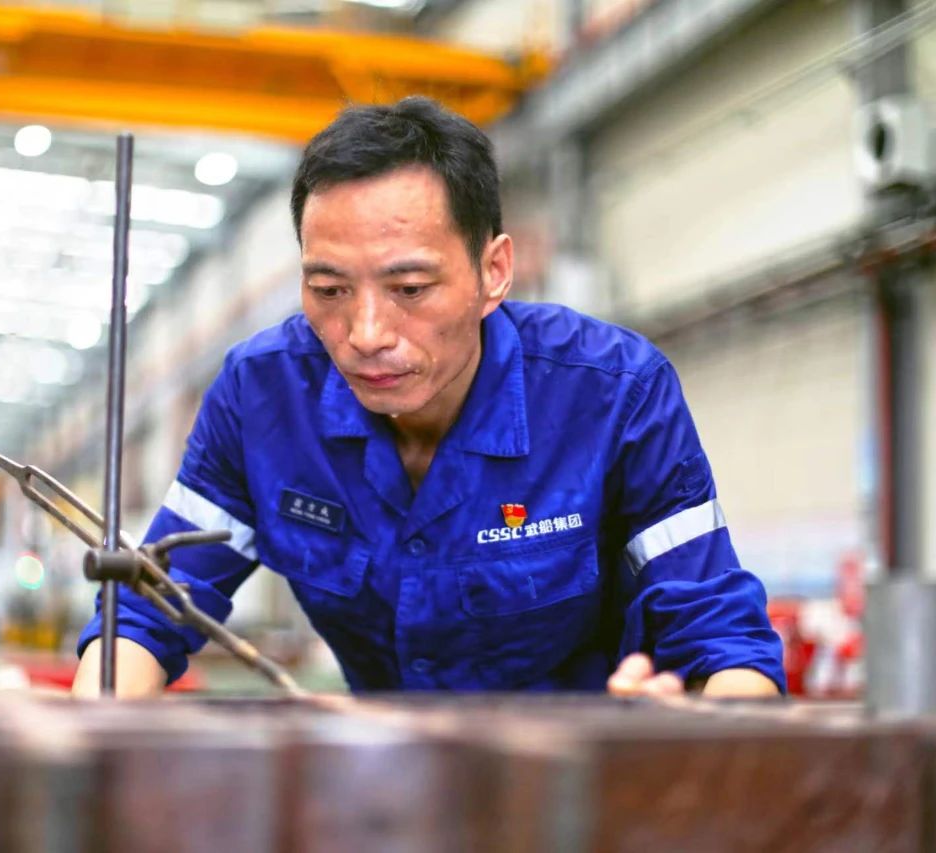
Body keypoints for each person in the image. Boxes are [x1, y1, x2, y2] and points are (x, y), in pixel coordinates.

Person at [72, 96, 784, 699]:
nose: (366, 334)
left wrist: (695, 723)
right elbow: (148, 610)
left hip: (579, 788)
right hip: (386, 787)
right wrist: (88, 737)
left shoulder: (614, 394)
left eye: (409, 288)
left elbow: (726, 646)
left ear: (493, 270)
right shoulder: (261, 398)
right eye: (329, 290)